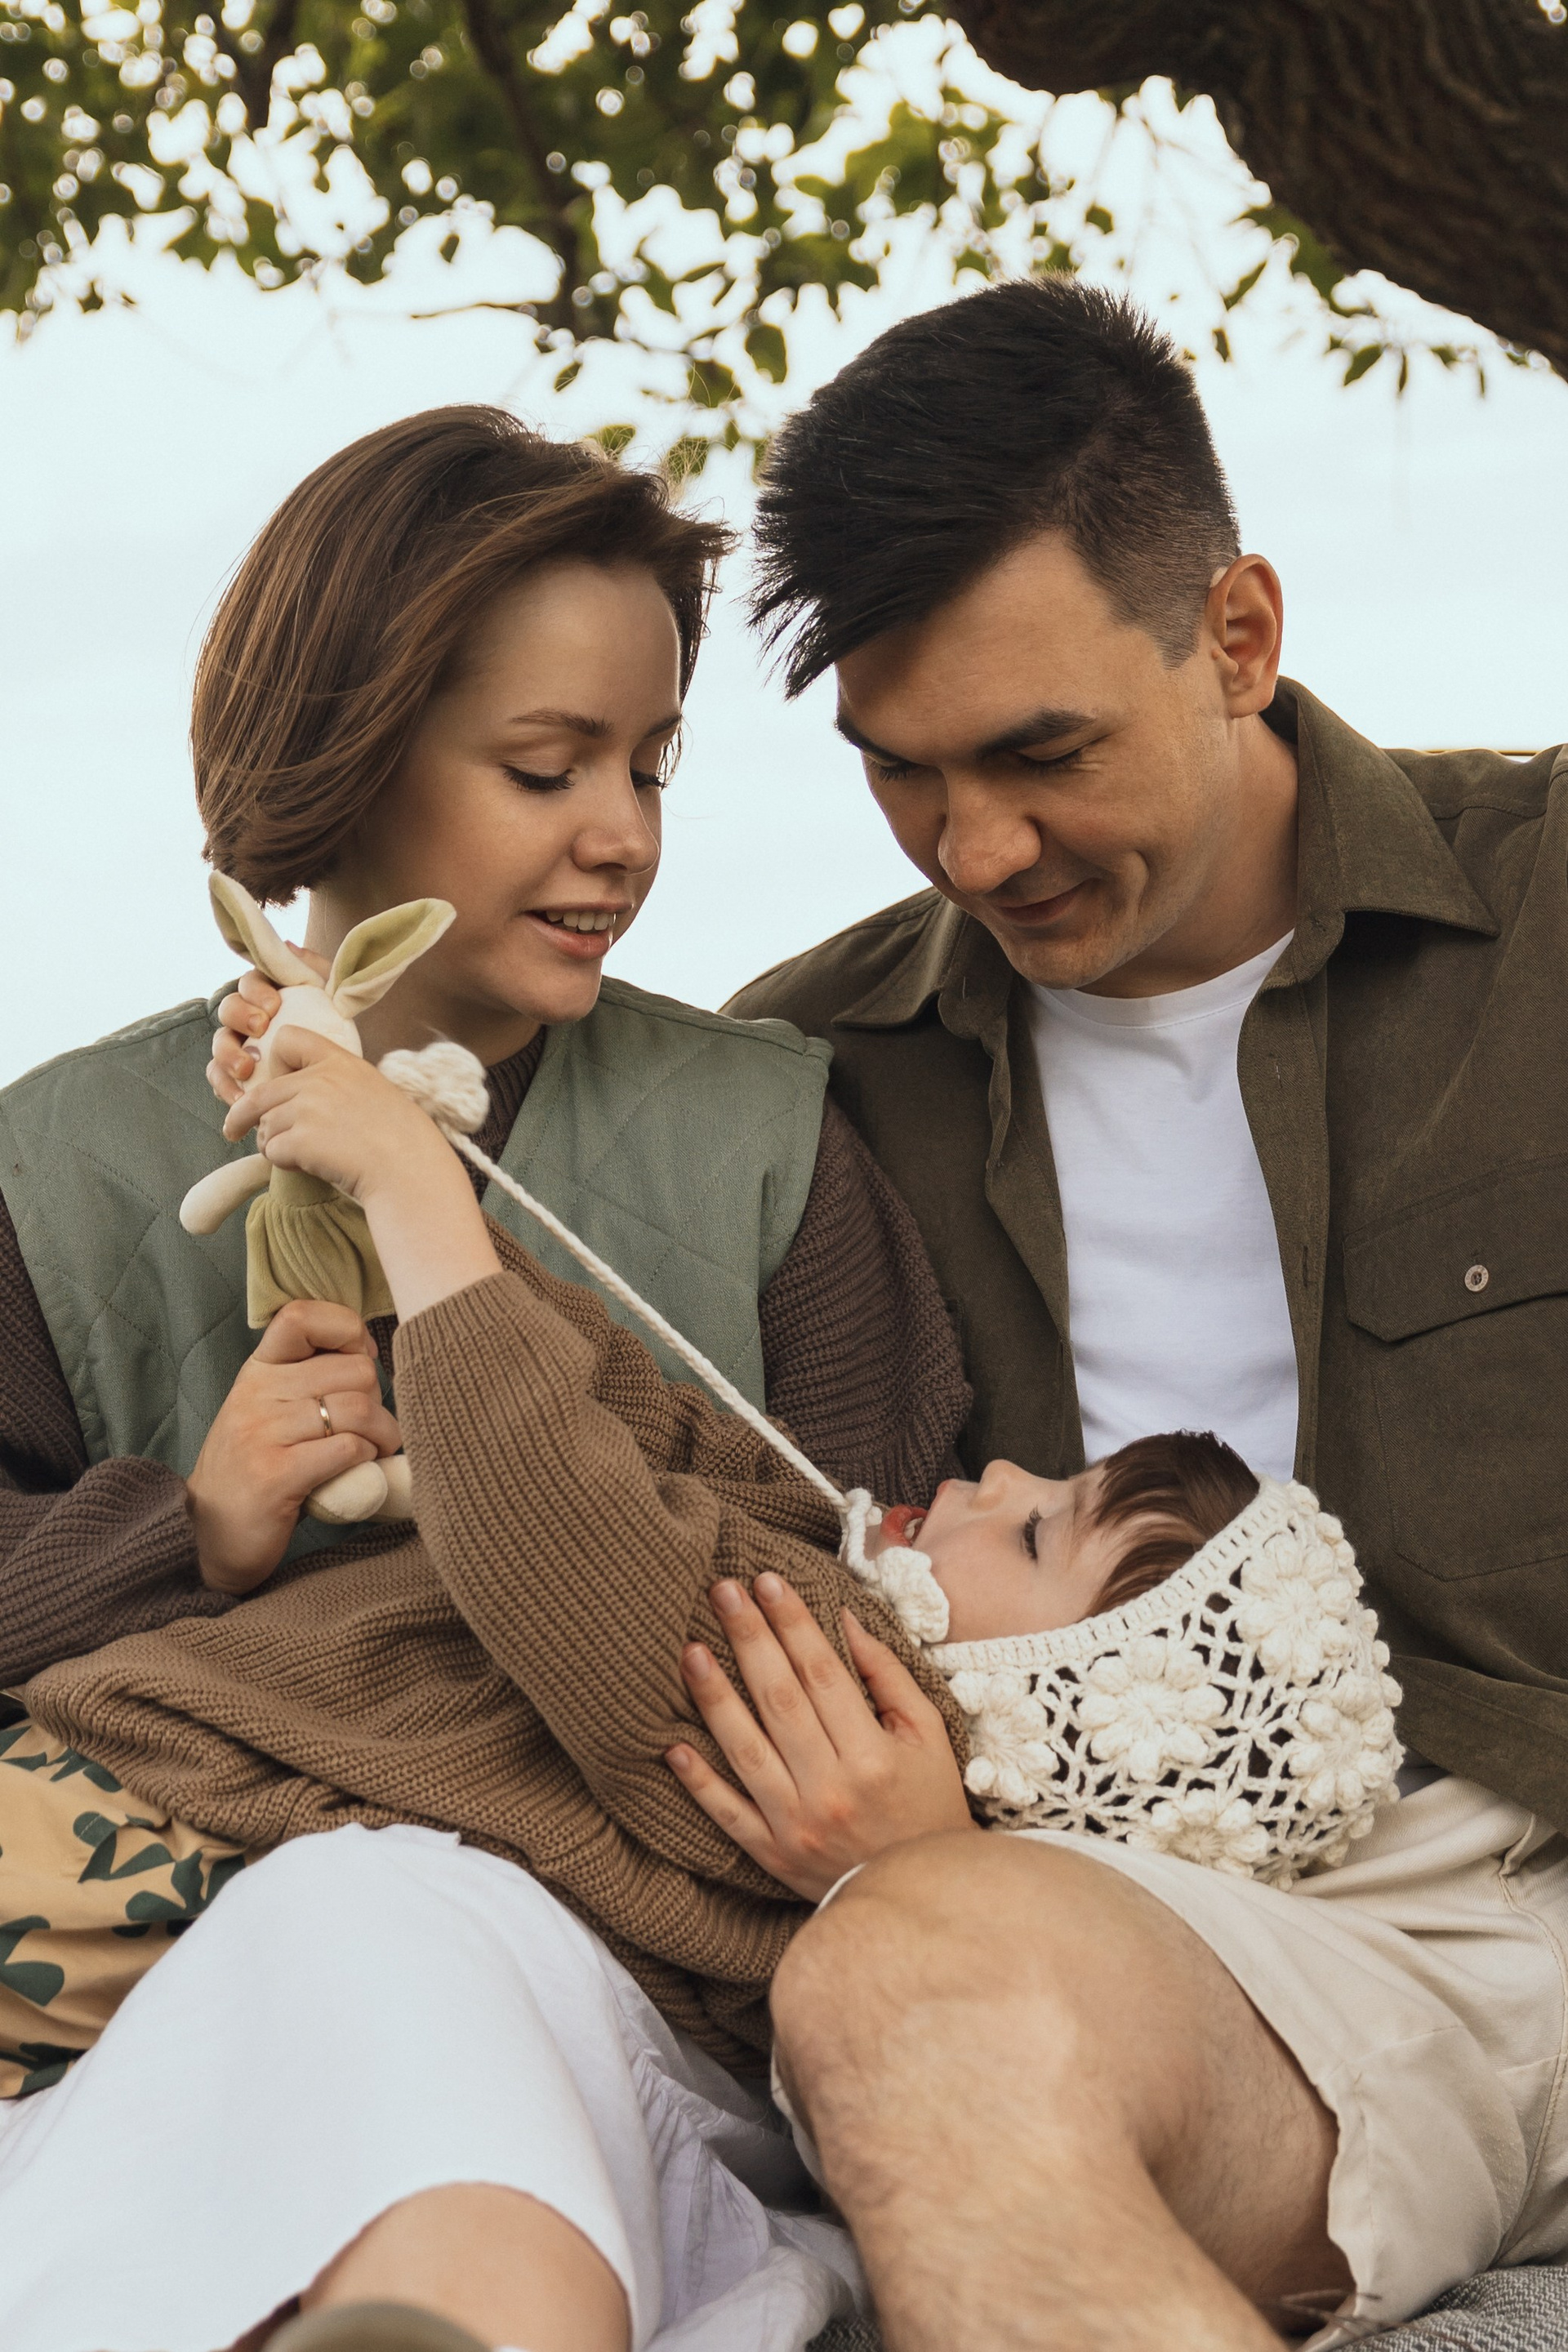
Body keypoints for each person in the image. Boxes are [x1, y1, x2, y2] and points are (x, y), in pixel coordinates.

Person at [0, 1022, 1396, 2352]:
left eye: (1038, 1534)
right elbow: (621, 1409)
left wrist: (418, 1205)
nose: (1004, 1475)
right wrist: (428, 1215)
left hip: (145, 1825)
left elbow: (566, 1533)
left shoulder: (834, 1693)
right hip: (171, 1832)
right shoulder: (820, 1559)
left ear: (1037, 1715)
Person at [718, 276, 1568, 2348]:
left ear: (1238, 635)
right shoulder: (800, 1088)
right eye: (902, 774)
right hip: (1167, 1939)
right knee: (895, 1975)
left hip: (1530, 1864)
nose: (976, 846)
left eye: (1043, 753)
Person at [0, 407, 967, 1684]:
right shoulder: (55, 1169)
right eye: (546, 770)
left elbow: (907, 1594)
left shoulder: (767, 1143)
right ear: (345, 753)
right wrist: (193, 1530)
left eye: (650, 768)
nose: (626, 837)